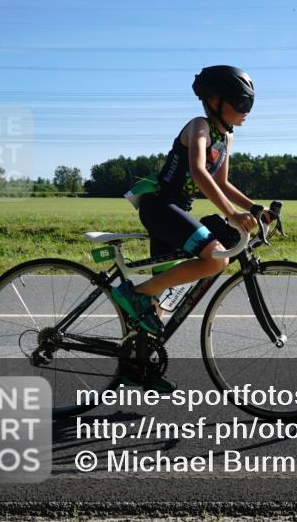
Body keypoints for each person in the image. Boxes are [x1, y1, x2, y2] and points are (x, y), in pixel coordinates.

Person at [110, 66, 272, 370]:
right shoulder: (199, 126)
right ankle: (134, 293)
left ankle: (138, 370)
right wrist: (232, 215)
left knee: (161, 303)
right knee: (216, 259)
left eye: (250, 104)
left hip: (177, 211)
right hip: (160, 207)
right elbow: (199, 172)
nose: (246, 111)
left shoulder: (226, 138)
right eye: (241, 103)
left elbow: (222, 183)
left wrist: (253, 208)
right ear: (214, 101)